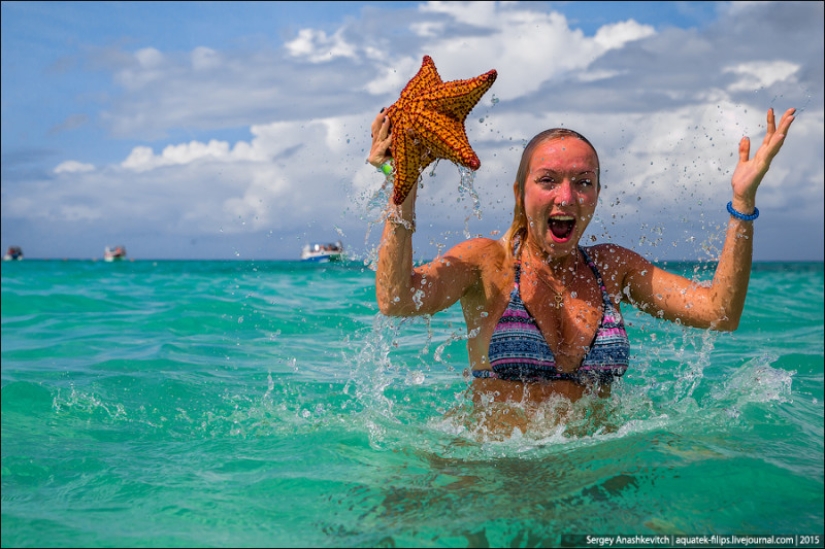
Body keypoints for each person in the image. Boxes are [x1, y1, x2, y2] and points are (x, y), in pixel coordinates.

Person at [368, 107, 795, 430]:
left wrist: (742, 204)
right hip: (499, 473)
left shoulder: (612, 266)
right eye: (548, 180)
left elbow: (719, 313)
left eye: (583, 182)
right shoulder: (487, 263)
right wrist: (401, 186)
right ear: (521, 192)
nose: (567, 197)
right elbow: (397, 299)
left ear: (598, 192)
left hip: (596, 472)